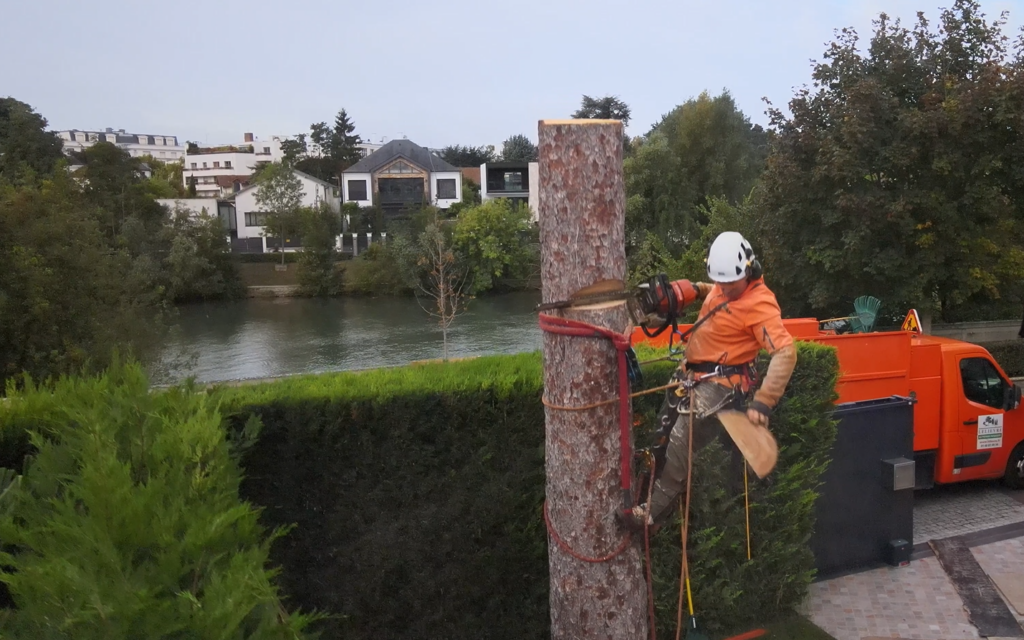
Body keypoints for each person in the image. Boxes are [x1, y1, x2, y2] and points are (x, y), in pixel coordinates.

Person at [626, 231, 798, 529]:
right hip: (690, 375)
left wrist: (764, 401)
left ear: (749, 270)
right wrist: (689, 290)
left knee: (681, 439)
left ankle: (651, 515)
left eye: (731, 283)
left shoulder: (761, 305)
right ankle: (644, 493)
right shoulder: (723, 284)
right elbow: (714, 290)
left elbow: (786, 353)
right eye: (721, 282)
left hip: (720, 387)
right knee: (661, 435)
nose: (726, 289)